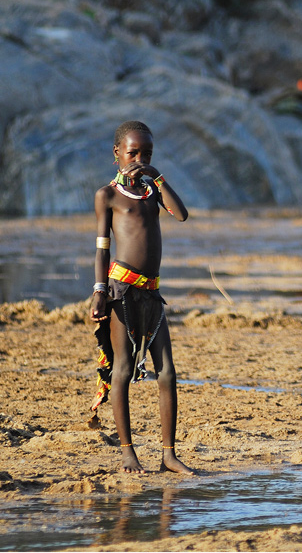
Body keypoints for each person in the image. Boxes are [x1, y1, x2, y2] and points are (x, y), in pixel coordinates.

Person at [89, 120, 195, 475]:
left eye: (146, 154)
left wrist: (159, 177)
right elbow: (102, 249)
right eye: (133, 152)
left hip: (152, 292)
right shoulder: (108, 196)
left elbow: (181, 215)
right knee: (122, 368)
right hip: (121, 291)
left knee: (166, 372)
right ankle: (128, 454)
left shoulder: (153, 193)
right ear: (117, 154)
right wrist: (99, 292)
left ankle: (168, 454)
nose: (139, 159)